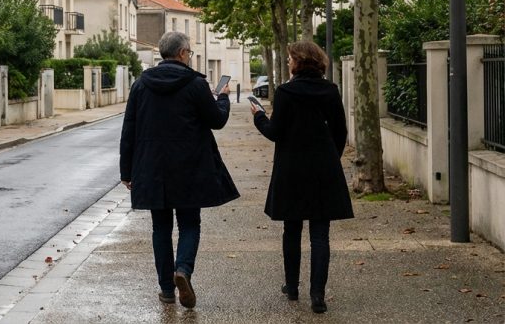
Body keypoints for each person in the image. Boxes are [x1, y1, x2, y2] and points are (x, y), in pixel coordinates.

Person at [120, 31, 239, 309]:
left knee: (160, 228)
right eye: (191, 52)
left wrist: (127, 172)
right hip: (189, 168)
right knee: (189, 223)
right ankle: (182, 270)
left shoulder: (141, 84)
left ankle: (166, 289)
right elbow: (217, 120)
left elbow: (129, 131)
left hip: (151, 169)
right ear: (183, 53)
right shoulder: (195, 84)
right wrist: (222, 98)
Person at [250, 40, 353, 314]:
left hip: (291, 169)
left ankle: (292, 287)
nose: (287, 63)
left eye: (289, 59)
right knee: (320, 235)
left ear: (298, 61)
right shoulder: (331, 90)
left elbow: (274, 132)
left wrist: (259, 116)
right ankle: (317, 295)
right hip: (323, 169)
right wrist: (331, 157)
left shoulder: (286, 92)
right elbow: (340, 131)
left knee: (291, 230)